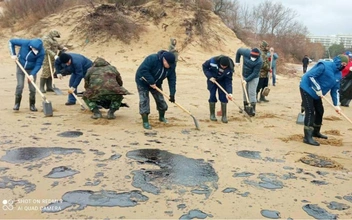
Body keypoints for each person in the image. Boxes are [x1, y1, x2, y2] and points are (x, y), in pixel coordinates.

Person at [299, 54, 348, 146]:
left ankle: (315, 132)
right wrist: (318, 88)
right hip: (307, 88)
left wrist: (336, 105)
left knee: (320, 111)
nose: (344, 66)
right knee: (310, 111)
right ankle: (307, 137)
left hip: (319, 94)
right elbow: (310, 76)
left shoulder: (338, 75)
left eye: (346, 64)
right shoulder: (324, 65)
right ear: (338, 61)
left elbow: (335, 90)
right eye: (343, 63)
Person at [135, 50, 176, 129]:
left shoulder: (171, 66)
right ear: (164, 60)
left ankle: (161, 117)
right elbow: (143, 70)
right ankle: (145, 122)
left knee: (161, 100)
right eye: (168, 64)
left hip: (156, 84)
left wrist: (172, 94)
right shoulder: (152, 59)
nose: (170, 66)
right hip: (142, 81)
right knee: (144, 101)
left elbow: (172, 80)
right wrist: (151, 81)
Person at [9, 38, 45, 112]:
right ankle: (17, 104)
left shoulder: (41, 53)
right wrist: (13, 54)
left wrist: (32, 74)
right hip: (20, 67)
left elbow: (38, 64)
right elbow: (11, 42)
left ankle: (32, 105)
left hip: (31, 69)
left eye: (34, 48)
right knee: (20, 85)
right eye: (31, 47)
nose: (32, 48)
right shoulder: (25, 43)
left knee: (32, 88)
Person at [202, 55, 234, 123]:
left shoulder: (230, 69)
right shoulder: (213, 61)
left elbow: (228, 82)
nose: (223, 67)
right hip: (212, 80)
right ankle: (212, 115)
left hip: (222, 81)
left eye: (225, 67)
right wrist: (209, 77)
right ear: (219, 63)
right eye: (222, 66)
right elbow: (205, 67)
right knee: (212, 95)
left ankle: (224, 116)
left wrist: (230, 93)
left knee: (223, 97)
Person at [235, 47, 263, 116]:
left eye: (255, 57)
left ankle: (252, 110)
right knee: (245, 92)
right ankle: (246, 108)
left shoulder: (259, 61)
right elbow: (238, 51)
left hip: (254, 77)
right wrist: (237, 62)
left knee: (252, 92)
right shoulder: (246, 52)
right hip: (244, 75)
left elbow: (255, 73)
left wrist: (246, 80)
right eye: (252, 57)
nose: (253, 58)